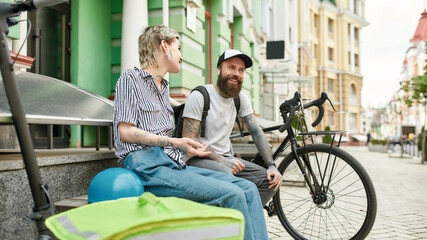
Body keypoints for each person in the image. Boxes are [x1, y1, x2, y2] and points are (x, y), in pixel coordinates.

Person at [113, 25, 268, 240]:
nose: (182, 56)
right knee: (233, 194)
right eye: (178, 48)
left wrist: (190, 147)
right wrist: (177, 142)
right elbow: (125, 132)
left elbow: (173, 140)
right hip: (145, 164)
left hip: (172, 163)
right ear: (164, 47)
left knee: (249, 189)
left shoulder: (163, 86)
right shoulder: (131, 79)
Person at [181, 49, 283, 206]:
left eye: (241, 70)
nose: (236, 73)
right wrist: (221, 160)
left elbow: (256, 132)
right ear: (219, 69)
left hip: (226, 158)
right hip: (195, 159)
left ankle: (242, 220)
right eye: (231, 67)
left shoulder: (240, 98)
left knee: (269, 180)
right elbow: (189, 141)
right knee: (227, 174)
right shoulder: (200, 96)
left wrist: (271, 165)